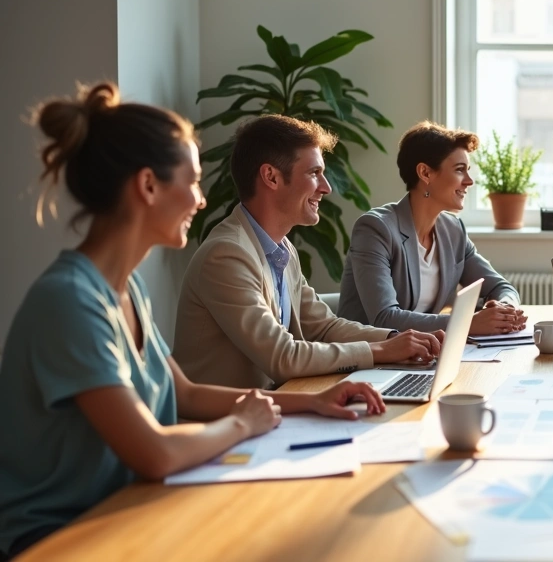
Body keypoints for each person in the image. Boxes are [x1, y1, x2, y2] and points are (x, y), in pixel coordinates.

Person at [0, 83, 387, 560]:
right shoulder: (69, 301)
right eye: (193, 181)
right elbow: (154, 452)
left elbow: (184, 393)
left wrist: (311, 403)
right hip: (61, 538)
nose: (202, 200)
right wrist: (243, 424)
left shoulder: (126, 289)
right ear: (147, 186)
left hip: (132, 506)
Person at [174, 115, 442, 390]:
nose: (326, 187)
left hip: (272, 410)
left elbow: (324, 327)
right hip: (224, 426)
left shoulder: (281, 249)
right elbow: (282, 356)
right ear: (271, 177)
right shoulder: (226, 255)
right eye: (314, 173)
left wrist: (398, 339)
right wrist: (383, 351)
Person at [338, 121, 525, 335]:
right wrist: (466, 324)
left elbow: (501, 287)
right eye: (459, 170)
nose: (469, 181)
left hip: (420, 356)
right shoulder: (375, 229)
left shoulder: (453, 230)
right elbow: (384, 318)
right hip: (368, 358)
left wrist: (506, 308)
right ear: (425, 173)